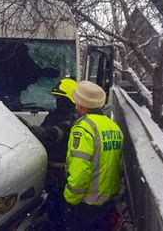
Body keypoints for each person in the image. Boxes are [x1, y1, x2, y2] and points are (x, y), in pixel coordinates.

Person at [63, 80, 123, 230]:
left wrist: (70, 199)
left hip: (87, 205)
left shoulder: (83, 129)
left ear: (81, 105)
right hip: (107, 201)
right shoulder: (112, 126)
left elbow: (80, 172)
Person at [27, 78, 78, 230]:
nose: (57, 101)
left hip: (63, 173)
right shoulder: (54, 115)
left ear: (69, 99)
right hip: (50, 170)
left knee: (63, 210)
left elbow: (54, 134)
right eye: (57, 98)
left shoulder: (74, 119)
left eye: (60, 98)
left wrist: (30, 129)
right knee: (52, 206)